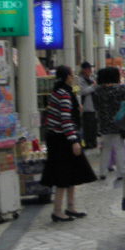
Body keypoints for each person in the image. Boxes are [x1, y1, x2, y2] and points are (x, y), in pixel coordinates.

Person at [39, 65, 97, 222]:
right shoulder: (64, 94)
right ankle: (57, 211)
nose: (73, 78)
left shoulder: (57, 92)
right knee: (63, 175)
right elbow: (65, 120)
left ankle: (70, 207)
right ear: (67, 77)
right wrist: (73, 140)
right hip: (62, 139)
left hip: (57, 137)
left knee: (72, 173)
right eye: (71, 75)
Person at [92, 66, 125, 180]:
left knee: (105, 148)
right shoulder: (121, 89)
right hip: (119, 122)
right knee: (119, 148)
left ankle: (102, 172)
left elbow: (96, 107)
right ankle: (121, 172)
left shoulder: (97, 91)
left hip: (104, 122)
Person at [77, 62, 98, 149]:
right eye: (88, 69)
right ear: (84, 70)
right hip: (86, 107)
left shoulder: (91, 79)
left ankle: (93, 142)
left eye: (90, 68)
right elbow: (82, 91)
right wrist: (93, 86)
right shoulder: (80, 80)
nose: (90, 70)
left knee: (93, 126)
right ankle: (88, 143)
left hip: (93, 106)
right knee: (87, 126)